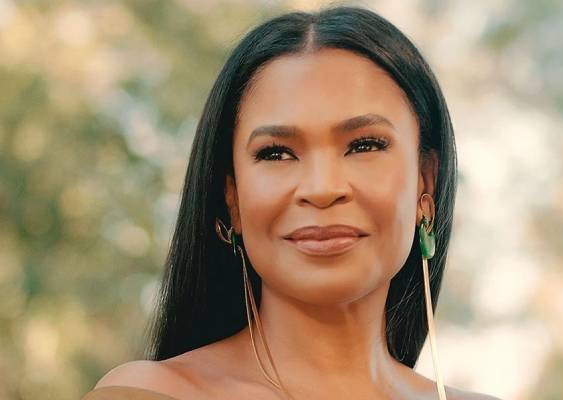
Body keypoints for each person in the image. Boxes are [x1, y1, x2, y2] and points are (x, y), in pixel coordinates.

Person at [83, 5, 501, 400]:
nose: (322, 188)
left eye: (364, 145)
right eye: (276, 153)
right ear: (232, 199)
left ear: (426, 182)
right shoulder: (152, 392)